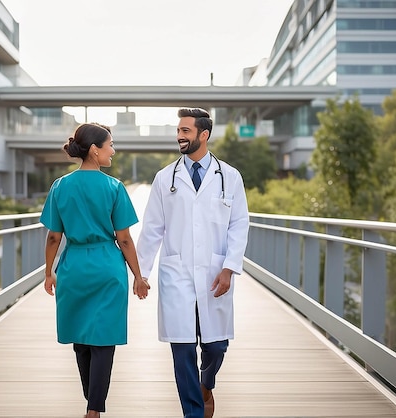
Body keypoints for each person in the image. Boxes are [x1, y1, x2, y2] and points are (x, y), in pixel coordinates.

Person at [136, 108, 249, 418]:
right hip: (177, 274)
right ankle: (193, 413)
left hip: (216, 272)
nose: (179, 136)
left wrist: (229, 267)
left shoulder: (230, 177)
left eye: (186, 131)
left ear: (204, 135)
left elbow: (239, 224)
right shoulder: (164, 179)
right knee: (182, 348)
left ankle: (207, 381)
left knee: (216, 346)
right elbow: (152, 229)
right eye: (178, 130)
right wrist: (140, 273)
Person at [41, 122, 150, 418]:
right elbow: (124, 238)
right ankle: (94, 408)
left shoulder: (60, 186)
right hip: (107, 267)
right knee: (104, 338)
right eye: (110, 145)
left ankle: (91, 402)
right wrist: (138, 277)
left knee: (81, 338)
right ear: (94, 150)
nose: (113, 150)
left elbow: (53, 236)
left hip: (74, 266)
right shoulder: (114, 188)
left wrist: (49, 271)